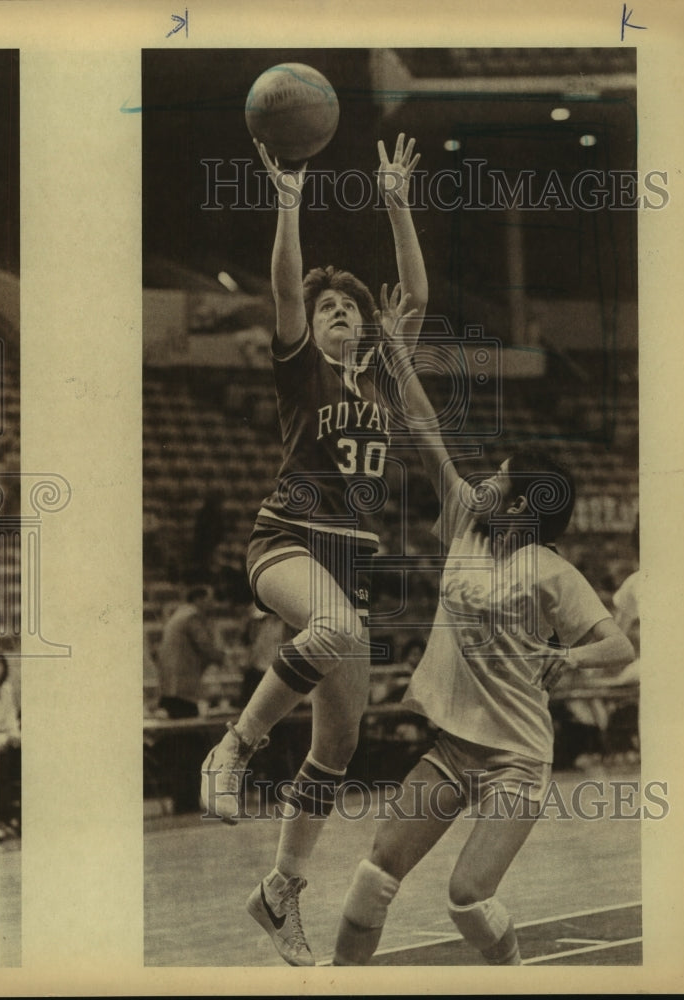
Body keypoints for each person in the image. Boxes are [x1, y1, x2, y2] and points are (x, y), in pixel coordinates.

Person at [332, 289, 635, 966]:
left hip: (515, 759)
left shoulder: (551, 572)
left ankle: (512, 973)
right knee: (370, 879)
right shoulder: (466, 520)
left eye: (500, 476)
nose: (487, 479)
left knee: (466, 898)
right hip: (451, 748)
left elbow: (617, 646)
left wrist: (569, 661)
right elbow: (423, 425)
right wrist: (394, 350)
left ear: (523, 502)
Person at [200, 133, 428, 966]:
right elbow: (284, 289)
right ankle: (232, 748)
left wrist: (396, 202)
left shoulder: (382, 374)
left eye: (349, 309)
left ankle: (279, 892)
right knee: (330, 634)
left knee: (338, 746)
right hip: (287, 541)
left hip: (348, 562)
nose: (340, 314)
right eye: (328, 307)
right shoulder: (300, 366)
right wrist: (288, 198)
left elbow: (417, 293)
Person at [157, 584, 224, 812]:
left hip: (171, 689)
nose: (213, 605)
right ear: (199, 598)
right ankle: (187, 802)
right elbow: (206, 647)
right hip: (182, 691)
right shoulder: (192, 617)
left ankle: (184, 801)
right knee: (190, 748)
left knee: (181, 747)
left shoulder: (178, 616)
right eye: (210, 599)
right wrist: (224, 658)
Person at [0, 651, 21, 841]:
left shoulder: (6, 689)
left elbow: (11, 721)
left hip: (4, 739)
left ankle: (12, 816)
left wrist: (14, 737)